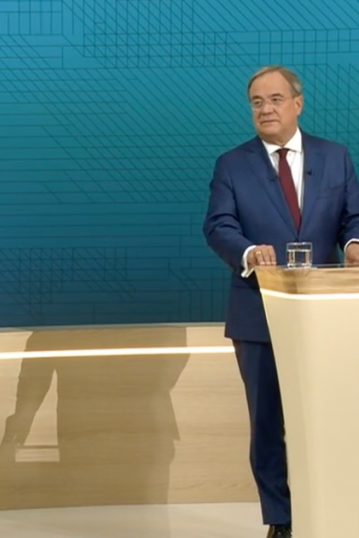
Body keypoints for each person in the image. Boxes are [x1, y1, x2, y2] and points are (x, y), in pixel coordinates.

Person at [203, 65, 359, 538]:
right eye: (257, 102)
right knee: (268, 423)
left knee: (329, 419)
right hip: (259, 313)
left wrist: (354, 244)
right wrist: (249, 252)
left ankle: (333, 509)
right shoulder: (232, 164)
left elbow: (352, 218)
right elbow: (218, 225)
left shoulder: (335, 157)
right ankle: (282, 519)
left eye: (274, 99)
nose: (265, 109)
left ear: (297, 103)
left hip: (327, 317)